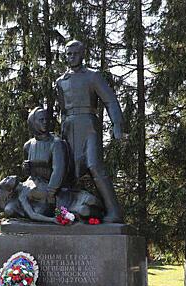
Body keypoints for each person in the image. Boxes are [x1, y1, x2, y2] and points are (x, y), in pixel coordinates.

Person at [55, 40, 124, 223]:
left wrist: (117, 126)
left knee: (94, 165)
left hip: (89, 124)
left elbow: (110, 101)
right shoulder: (61, 81)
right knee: (69, 171)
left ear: (82, 54)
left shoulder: (93, 76)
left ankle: (114, 211)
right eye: (68, 54)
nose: (71, 57)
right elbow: (62, 109)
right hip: (69, 126)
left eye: (75, 54)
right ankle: (68, 214)